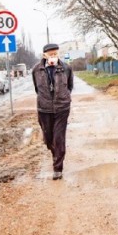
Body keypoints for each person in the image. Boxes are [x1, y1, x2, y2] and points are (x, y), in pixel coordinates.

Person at [31, 43, 74, 180]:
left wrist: (63, 97)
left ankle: (58, 168)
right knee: (49, 138)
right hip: (44, 109)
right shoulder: (36, 70)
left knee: (59, 138)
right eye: (51, 54)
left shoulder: (66, 68)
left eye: (55, 54)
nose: (53, 57)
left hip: (62, 108)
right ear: (44, 55)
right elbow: (37, 89)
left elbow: (70, 86)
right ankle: (55, 152)